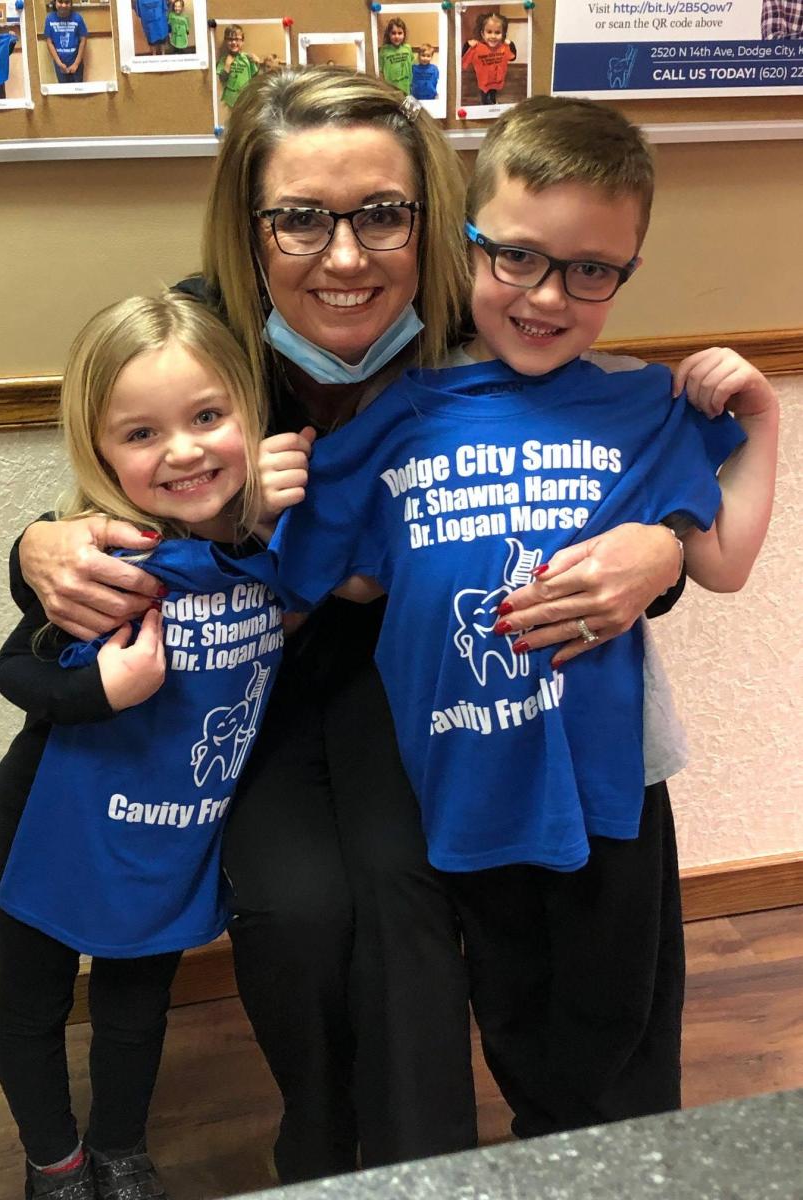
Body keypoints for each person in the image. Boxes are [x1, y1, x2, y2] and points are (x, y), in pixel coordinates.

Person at [10, 67, 692, 1183]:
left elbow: (589, 487)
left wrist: (663, 552)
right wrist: (36, 547)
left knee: (403, 897)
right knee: (297, 908)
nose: (344, 256)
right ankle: (322, 1150)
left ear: (433, 218)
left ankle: (422, 1166)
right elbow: (116, 483)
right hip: (256, 687)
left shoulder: (484, 329)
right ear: (249, 226)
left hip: (414, 677)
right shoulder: (204, 337)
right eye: (300, 218)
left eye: (381, 214)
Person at [250, 95, 779, 1140]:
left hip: (612, 779)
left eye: (591, 271)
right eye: (519, 257)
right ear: (468, 244)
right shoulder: (399, 412)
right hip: (467, 777)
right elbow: (332, 580)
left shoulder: (643, 404)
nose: (547, 295)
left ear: (627, 271)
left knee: (620, 1031)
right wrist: (265, 510)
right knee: (514, 1011)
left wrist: (761, 423)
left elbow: (720, 562)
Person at [0, 293, 284, 1200]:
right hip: (47, 822)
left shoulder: (270, 550)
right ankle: (54, 1161)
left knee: (136, 1005)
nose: (184, 450)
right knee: (31, 1000)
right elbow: (14, 671)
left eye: (207, 416)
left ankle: (118, 1147)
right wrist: (101, 691)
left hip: (172, 834)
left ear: (249, 411)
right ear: (101, 450)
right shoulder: (105, 559)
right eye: (143, 433)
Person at [462, 12, 516, 106]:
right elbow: (463, 59)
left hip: (496, 80)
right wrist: (467, 45)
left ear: (503, 34)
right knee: (485, 95)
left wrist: (511, 44)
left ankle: (493, 101)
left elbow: (513, 57)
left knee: (493, 91)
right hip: (484, 81)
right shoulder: (476, 48)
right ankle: (486, 105)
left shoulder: (504, 47)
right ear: (483, 34)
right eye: (489, 32)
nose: (493, 36)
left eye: (497, 32)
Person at [43, 0, 88, 85]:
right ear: (55, 2)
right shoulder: (49, 19)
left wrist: (76, 64)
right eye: (60, 2)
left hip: (76, 63)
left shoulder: (77, 18)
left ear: (71, 3)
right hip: (59, 63)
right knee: (64, 90)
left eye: (67, 2)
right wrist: (59, 63)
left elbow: (83, 40)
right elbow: (49, 42)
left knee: (78, 89)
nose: (63, 5)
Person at [216, 26, 260, 110]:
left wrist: (257, 63)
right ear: (226, 41)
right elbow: (222, 79)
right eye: (230, 39)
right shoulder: (224, 60)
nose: (233, 42)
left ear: (242, 41)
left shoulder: (247, 59)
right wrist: (227, 65)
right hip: (230, 101)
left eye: (237, 39)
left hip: (246, 99)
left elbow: (256, 77)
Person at [378, 19, 415, 95]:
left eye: (400, 33)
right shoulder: (384, 50)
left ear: (404, 34)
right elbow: (380, 71)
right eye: (393, 33)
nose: (397, 36)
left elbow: (411, 66)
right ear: (389, 34)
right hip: (391, 90)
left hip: (406, 88)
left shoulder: (408, 48)